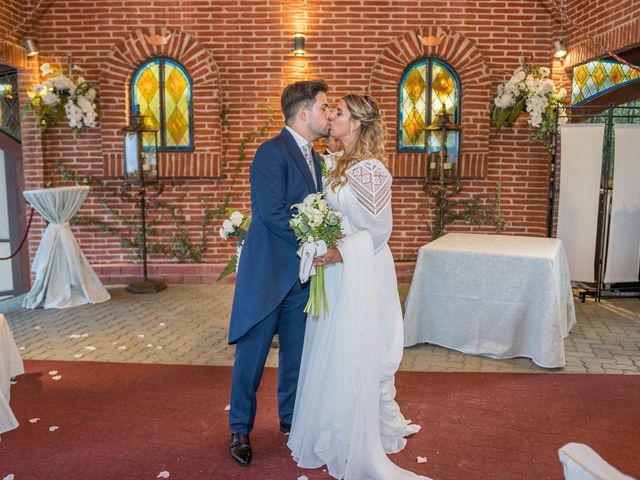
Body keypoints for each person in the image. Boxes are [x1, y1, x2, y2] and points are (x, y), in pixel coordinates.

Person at [287, 94, 430, 480]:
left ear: (358, 125)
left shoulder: (371, 171)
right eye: (330, 110)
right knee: (335, 345)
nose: (332, 117)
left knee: (361, 343)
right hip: (338, 268)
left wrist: (339, 253)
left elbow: (379, 231)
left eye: (340, 113)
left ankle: (363, 428)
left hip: (363, 268)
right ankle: (335, 424)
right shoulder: (334, 164)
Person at [227, 80, 330, 467]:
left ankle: (291, 421)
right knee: (251, 358)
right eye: (323, 107)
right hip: (268, 272)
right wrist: (316, 240)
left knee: (296, 357)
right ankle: (240, 428)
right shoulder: (270, 153)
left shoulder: (316, 159)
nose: (327, 114)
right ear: (303, 113)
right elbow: (270, 213)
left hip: (300, 277)